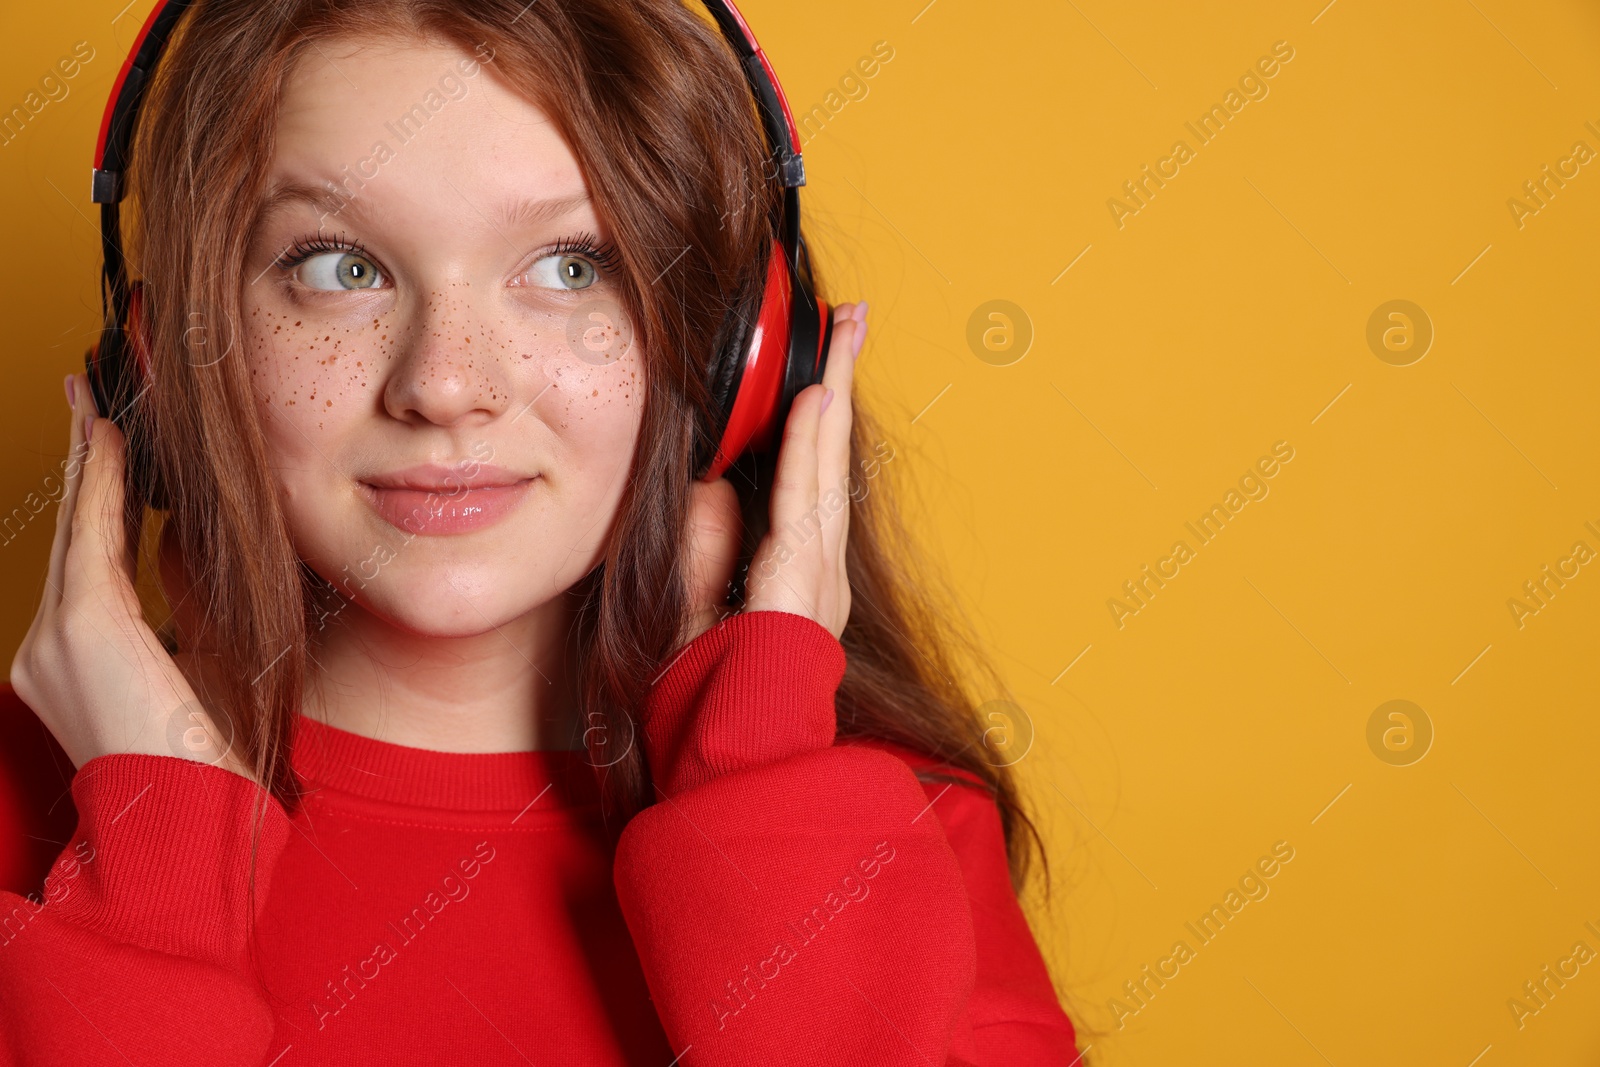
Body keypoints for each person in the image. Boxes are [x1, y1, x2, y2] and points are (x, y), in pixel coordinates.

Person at [0, 1, 1079, 1062]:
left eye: (572, 266)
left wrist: (757, 775)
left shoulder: (881, 835)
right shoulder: (23, 823)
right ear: (166, 357)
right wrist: (152, 871)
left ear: (735, 358)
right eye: (338, 266)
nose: (446, 383)